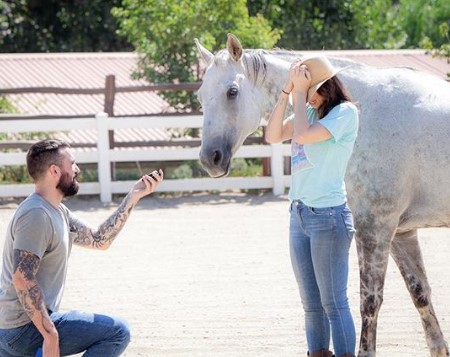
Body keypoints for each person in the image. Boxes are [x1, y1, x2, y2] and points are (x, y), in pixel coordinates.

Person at [0, 139, 163, 357]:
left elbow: (99, 239)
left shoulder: (57, 211)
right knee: (117, 332)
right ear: (55, 170)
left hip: (20, 328)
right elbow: (22, 278)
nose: (77, 169)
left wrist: (133, 196)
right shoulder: (36, 214)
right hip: (22, 330)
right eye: (73, 164)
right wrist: (50, 336)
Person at [265, 55, 358, 357]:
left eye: (312, 90)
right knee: (311, 304)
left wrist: (299, 95)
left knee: (333, 302)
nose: (308, 97)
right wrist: (286, 93)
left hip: (328, 217)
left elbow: (303, 136)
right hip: (300, 215)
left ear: (327, 87)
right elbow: (273, 135)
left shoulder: (345, 113)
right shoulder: (308, 111)